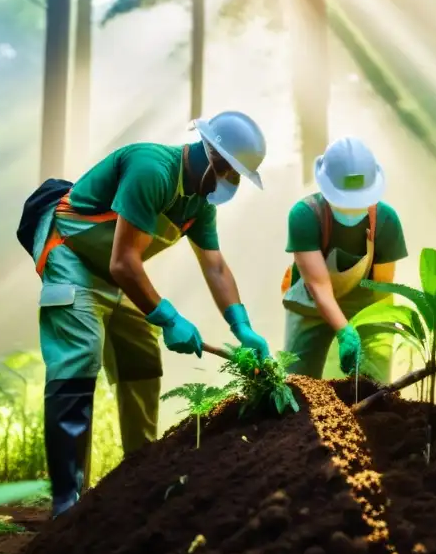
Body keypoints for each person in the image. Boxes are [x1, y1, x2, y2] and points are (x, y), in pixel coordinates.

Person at [18, 111, 272, 518]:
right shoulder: (152, 168)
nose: (231, 180)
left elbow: (216, 267)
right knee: (80, 356)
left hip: (117, 270)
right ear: (208, 152)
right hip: (71, 256)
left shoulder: (199, 203)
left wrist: (242, 327)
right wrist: (169, 317)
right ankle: (67, 502)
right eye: (228, 169)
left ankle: (136, 484)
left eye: (238, 174)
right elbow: (124, 262)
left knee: (142, 361)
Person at [281, 137, 408, 381]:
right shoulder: (305, 215)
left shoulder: (385, 220)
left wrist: (374, 332)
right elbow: (318, 285)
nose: (351, 209)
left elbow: (382, 288)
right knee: (297, 382)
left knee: (375, 384)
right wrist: (344, 331)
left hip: (367, 301)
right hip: (311, 302)